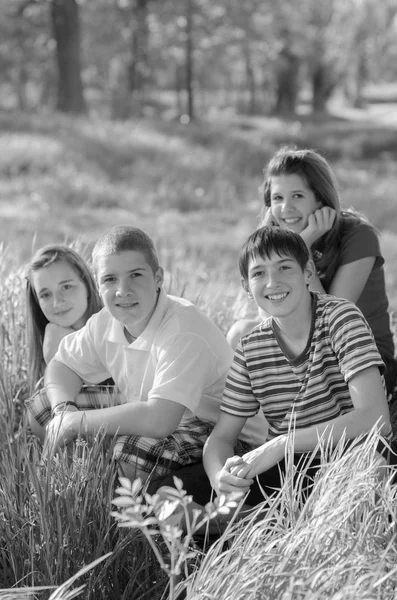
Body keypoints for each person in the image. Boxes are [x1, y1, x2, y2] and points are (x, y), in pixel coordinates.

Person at [39, 225, 267, 484]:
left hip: (225, 435)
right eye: (110, 279)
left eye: (135, 275)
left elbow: (160, 420)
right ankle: (76, 488)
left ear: (158, 277)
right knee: (42, 408)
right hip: (169, 418)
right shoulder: (105, 322)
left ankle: (139, 508)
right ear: (98, 283)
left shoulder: (183, 329)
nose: (122, 290)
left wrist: (75, 422)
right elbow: (61, 366)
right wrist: (62, 412)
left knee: (133, 449)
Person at [204, 226, 391, 507]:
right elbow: (221, 437)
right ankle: (254, 523)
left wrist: (282, 444)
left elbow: (376, 418)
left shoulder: (340, 317)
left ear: (307, 273)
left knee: (362, 474)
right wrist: (219, 477)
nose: (272, 282)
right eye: (259, 274)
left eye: (284, 268)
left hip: (351, 454)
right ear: (246, 286)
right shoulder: (250, 346)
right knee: (166, 491)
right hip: (290, 469)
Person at [227, 147, 397, 397]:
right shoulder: (274, 239)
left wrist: (302, 247)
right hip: (303, 349)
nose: (286, 208)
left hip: (360, 357)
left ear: (319, 198)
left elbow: (333, 320)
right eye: (277, 198)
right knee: (240, 334)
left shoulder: (359, 235)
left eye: (297, 195)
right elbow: (269, 311)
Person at [25, 245, 110, 440]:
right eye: (46, 294)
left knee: (42, 405)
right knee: (42, 406)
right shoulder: (54, 337)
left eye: (66, 286)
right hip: (93, 419)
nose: (57, 302)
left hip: (139, 410)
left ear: (87, 284)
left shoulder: (111, 322)